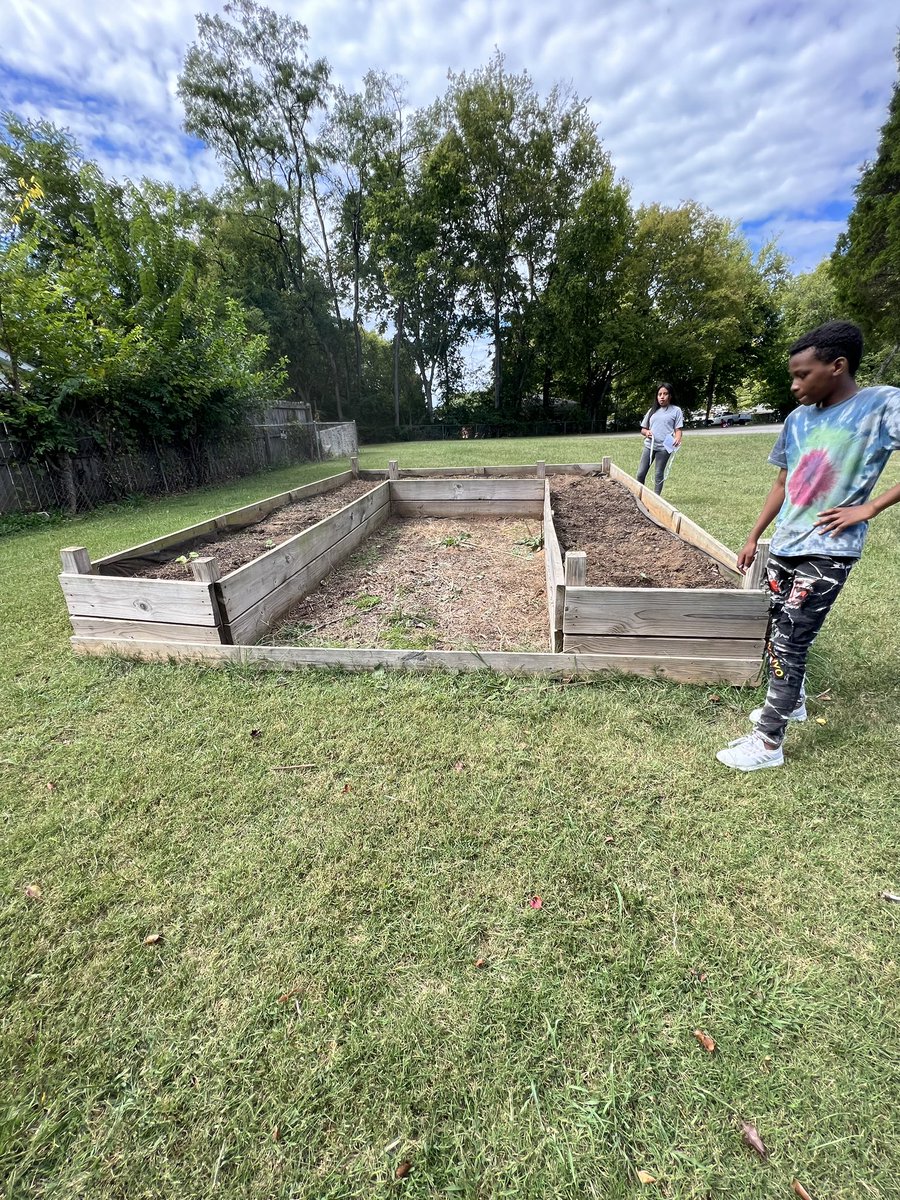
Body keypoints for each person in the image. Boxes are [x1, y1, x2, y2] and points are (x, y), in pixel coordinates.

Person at [716, 320, 900, 772]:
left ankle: (768, 743)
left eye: (803, 374)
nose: (795, 385)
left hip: (829, 548)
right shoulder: (798, 420)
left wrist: (870, 507)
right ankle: (792, 701)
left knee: (791, 641)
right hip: (786, 543)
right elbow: (783, 481)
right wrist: (754, 535)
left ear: (837, 366)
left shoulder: (880, 404)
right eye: (792, 376)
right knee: (775, 631)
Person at [636, 383, 683, 494]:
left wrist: (677, 438)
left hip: (664, 448)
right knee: (640, 474)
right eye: (659, 394)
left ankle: (657, 499)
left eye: (665, 394)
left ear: (670, 396)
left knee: (658, 474)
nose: (662, 397)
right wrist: (647, 432)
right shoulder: (652, 411)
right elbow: (643, 429)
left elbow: (678, 430)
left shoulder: (676, 410)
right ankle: (639, 495)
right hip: (649, 446)